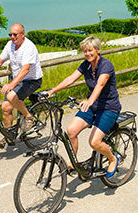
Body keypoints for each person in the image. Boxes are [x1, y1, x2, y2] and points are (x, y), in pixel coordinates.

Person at [43, 35, 120, 178]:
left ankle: (112, 158)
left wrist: (89, 101)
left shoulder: (106, 65)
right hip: (93, 106)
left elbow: (100, 84)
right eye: (85, 51)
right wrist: (52, 91)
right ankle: (73, 163)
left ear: (98, 50)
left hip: (108, 107)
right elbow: (71, 79)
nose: (87, 54)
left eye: (90, 50)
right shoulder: (86, 65)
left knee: (94, 142)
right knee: (71, 131)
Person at [0, 23, 43, 148]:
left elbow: (25, 69)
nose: (12, 37)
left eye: (15, 34)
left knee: (12, 96)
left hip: (32, 80)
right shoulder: (10, 45)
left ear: (23, 34)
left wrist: (11, 84)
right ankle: (9, 137)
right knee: (6, 107)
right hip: (18, 80)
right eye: (10, 34)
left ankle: (29, 117)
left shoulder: (29, 47)